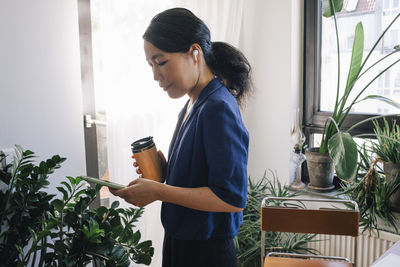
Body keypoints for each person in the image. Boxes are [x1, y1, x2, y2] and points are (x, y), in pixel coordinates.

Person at [111, 7, 251, 267]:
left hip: (206, 256)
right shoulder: (191, 105)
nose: (156, 76)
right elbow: (202, 177)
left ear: (194, 53)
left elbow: (231, 198)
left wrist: (159, 191)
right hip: (180, 246)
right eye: (151, 65)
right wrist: (166, 172)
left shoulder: (217, 108)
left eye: (161, 62)